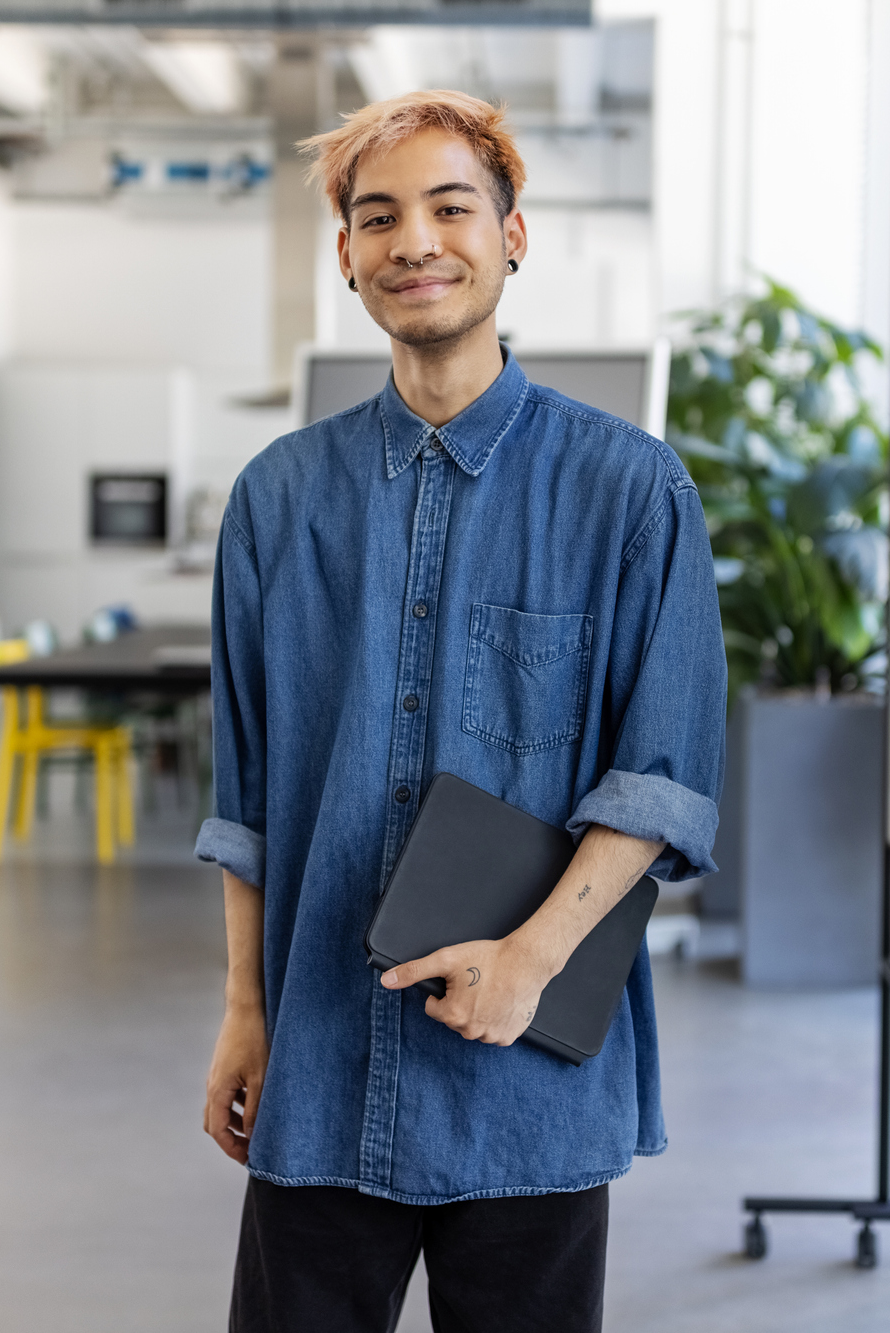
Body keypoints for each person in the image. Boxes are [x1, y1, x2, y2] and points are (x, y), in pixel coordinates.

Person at [195, 89, 726, 1333]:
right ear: (345, 257)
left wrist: (527, 961)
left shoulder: (631, 492)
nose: (413, 241)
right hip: (321, 1058)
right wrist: (242, 1009)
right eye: (377, 217)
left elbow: (659, 775)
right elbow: (250, 790)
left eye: (450, 207)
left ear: (512, 235)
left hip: (525, 1072)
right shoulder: (277, 501)